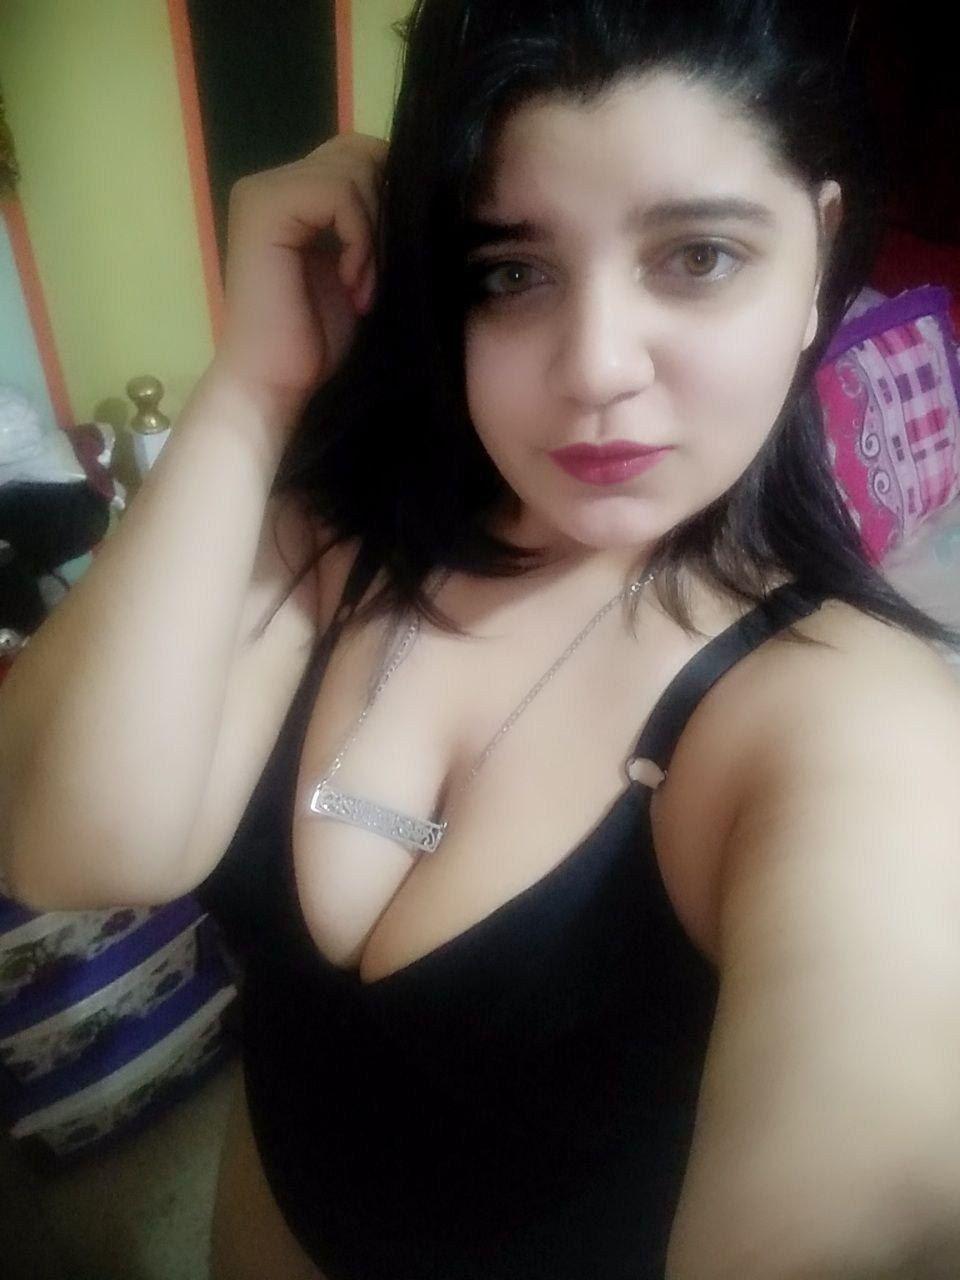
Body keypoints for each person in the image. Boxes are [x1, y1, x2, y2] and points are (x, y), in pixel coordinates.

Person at [3, 1, 960, 1276]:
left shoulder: (851, 720)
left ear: (820, 251)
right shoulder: (342, 524)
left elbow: (878, 1190)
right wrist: (255, 383)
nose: (596, 366)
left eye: (698, 256)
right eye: (511, 271)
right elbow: (69, 843)